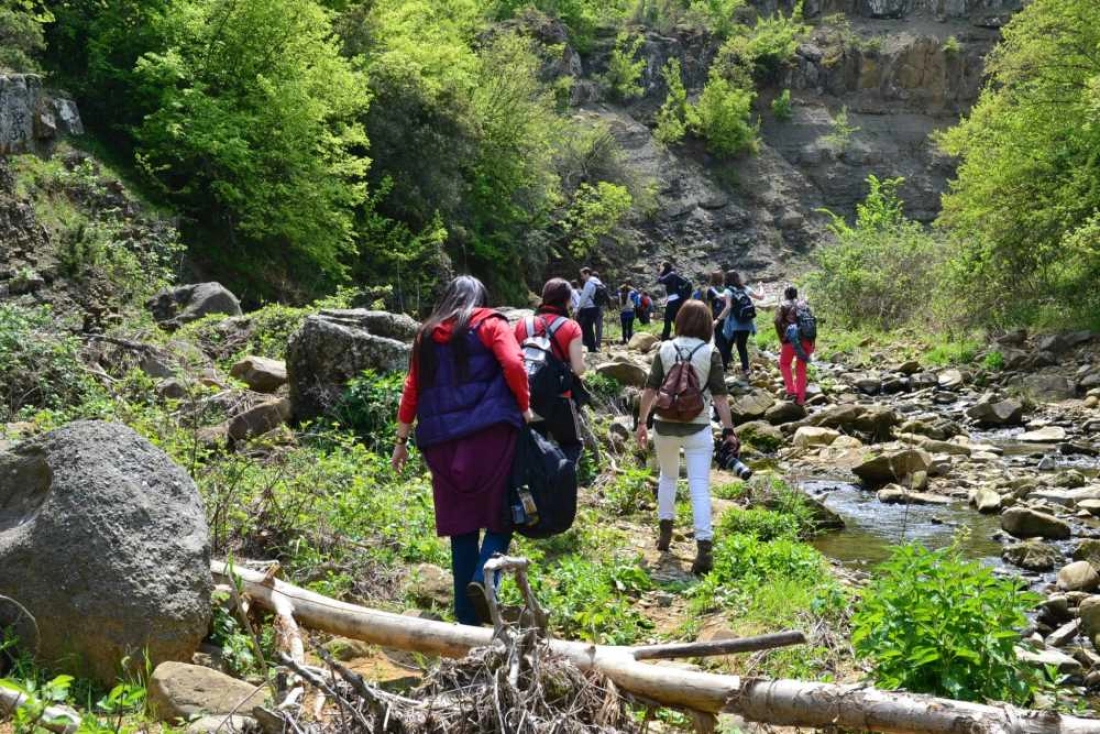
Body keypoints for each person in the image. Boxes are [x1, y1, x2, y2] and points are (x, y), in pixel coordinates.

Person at [392, 276, 535, 626]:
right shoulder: (490, 323)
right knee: (501, 517)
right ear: (481, 298)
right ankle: (485, 581)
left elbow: (412, 389)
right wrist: (526, 407)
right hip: (489, 436)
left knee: (462, 526)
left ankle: (466, 623)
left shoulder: (425, 335)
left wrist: (400, 441)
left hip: (440, 443)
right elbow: (515, 364)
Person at [635, 300, 741, 575]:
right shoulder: (711, 352)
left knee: (668, 477)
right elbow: (719, 396)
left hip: (664, 425)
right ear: (707, 324)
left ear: (680, 320)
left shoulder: (665, 348)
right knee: (699, 487)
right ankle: (704, 550)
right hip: (698, 427)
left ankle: (665, 536)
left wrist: (642, 423)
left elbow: (650, 389)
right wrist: (729, 430)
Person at [514, 278, 587, 465]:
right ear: (567, 300)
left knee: (534, 445)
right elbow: (578, 369)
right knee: (571, 445)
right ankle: (563, 483)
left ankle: (535, 486)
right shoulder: (571, 326)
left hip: (526, 398)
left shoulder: (523, 324)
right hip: (559, 399)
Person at [714, 271, 764, 379]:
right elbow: (761, 297)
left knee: (728, 346)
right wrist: (761, 286)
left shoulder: (728, 290)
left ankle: (724, 370)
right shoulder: (745, 288)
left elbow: (728, 308)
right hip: (746, 323)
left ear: (726, 280)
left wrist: (717, 320)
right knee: (742, 346)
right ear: (738, 278)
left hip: (733, 324)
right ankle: (746, 370)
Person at [775, 285, 815, 406]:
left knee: (784, 363)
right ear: (796, 294)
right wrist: (812, 343)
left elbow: (777, 323)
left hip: (790, 340)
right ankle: (801, 399)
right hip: (807, 340)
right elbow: (813, 324)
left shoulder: (783, 306)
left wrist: (782, 340)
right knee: (801, 369)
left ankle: (791, 391)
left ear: (785, 294)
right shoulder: (805, 306)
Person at [657, 262, 690, 341]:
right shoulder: (672, 274)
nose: (659, 268)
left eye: (661, 266)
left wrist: (660, 272)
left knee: (667, 319)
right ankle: (681, 335)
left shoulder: (671, 274)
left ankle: (665, 338)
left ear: (665, 267)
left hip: (674, 300)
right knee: (675, 319)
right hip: (676, 300)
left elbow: (660, 280)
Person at [576, 267, 604, 352]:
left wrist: (578, 309)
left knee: (586, 328)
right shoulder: (597, 282)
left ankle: (591, 348)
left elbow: (583, 298)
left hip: (589, 309)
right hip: (596, 307)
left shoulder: (589, 283)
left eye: (582, 275)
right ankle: (593, 347)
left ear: (587, 273)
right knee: (589, 328)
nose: (581, 278)